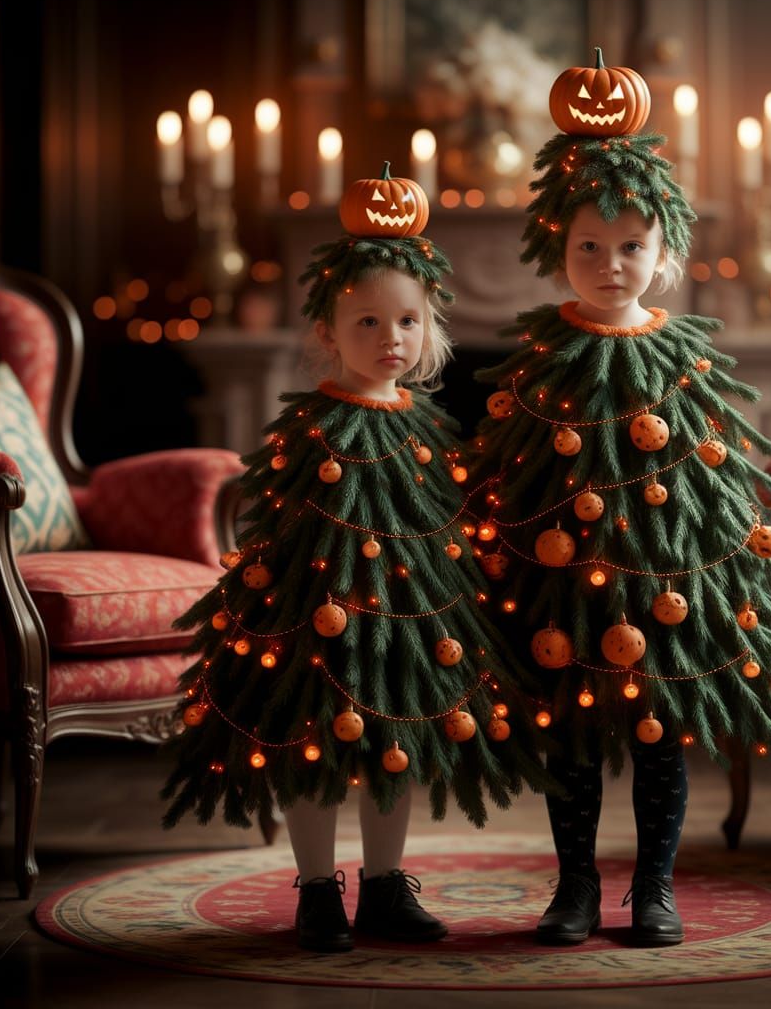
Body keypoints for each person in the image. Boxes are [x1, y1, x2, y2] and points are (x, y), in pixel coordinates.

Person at [471, 51, 771, 948]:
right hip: (560, 586)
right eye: (588, 249)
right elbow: (510, 467)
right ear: (557, 251)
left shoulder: (682, 354)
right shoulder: (541, 358)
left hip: (665, 581)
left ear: (664, 252)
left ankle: (654, 889)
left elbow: (717, 471)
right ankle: (572, 890)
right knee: (567, 739)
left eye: (631, 248)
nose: (611, 265)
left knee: (656, 736)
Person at [161, 165, 549, 953]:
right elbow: (283, 523)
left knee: (393, 744)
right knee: (318, 745)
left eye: (407, 323)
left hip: (411, 624)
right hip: (320, 621)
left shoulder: (429, 428)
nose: (390, 341)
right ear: (327, 332)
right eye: (366, 323)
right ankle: (315, 890)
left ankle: (382, 886)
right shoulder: (317, 429)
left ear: (430, 328)